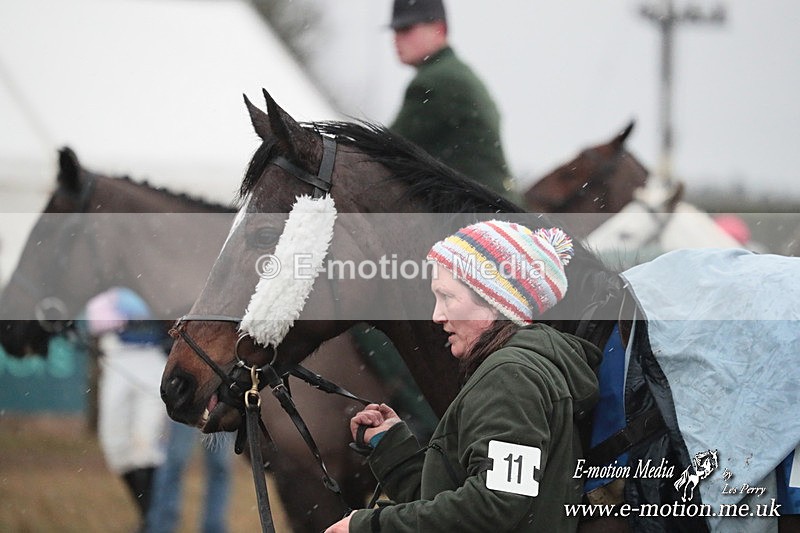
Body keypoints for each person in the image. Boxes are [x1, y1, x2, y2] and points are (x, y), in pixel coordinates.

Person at [325, 221, 602, 532]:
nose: (436, 316)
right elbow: (454, 503)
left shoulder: (511, 377)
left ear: (494, 300)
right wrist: (392, 448)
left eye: (447, 297)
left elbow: (497, 504)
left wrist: (369, 527)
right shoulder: (516, 371)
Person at [388, 0, 516, 201]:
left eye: (406, 29)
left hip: (476, 214)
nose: (396, 39)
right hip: (495, 208)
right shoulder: (454, 72)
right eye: (395, 30)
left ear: (438, 29)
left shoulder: (435, 81)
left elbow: (385, 150)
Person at [86, 287, 169, 532]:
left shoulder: (156, 271)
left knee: (147, 446)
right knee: (116, 446)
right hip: (117, 357)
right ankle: (147, 514)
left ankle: (149, 522)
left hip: (153, 358)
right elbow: (97, 320)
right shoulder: (109, 279)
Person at [146, 420, 233, 533]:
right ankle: (161, 526)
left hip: (221, 405)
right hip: (188, 405)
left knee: (220, 467)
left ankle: (214, 527)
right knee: (175, 462)